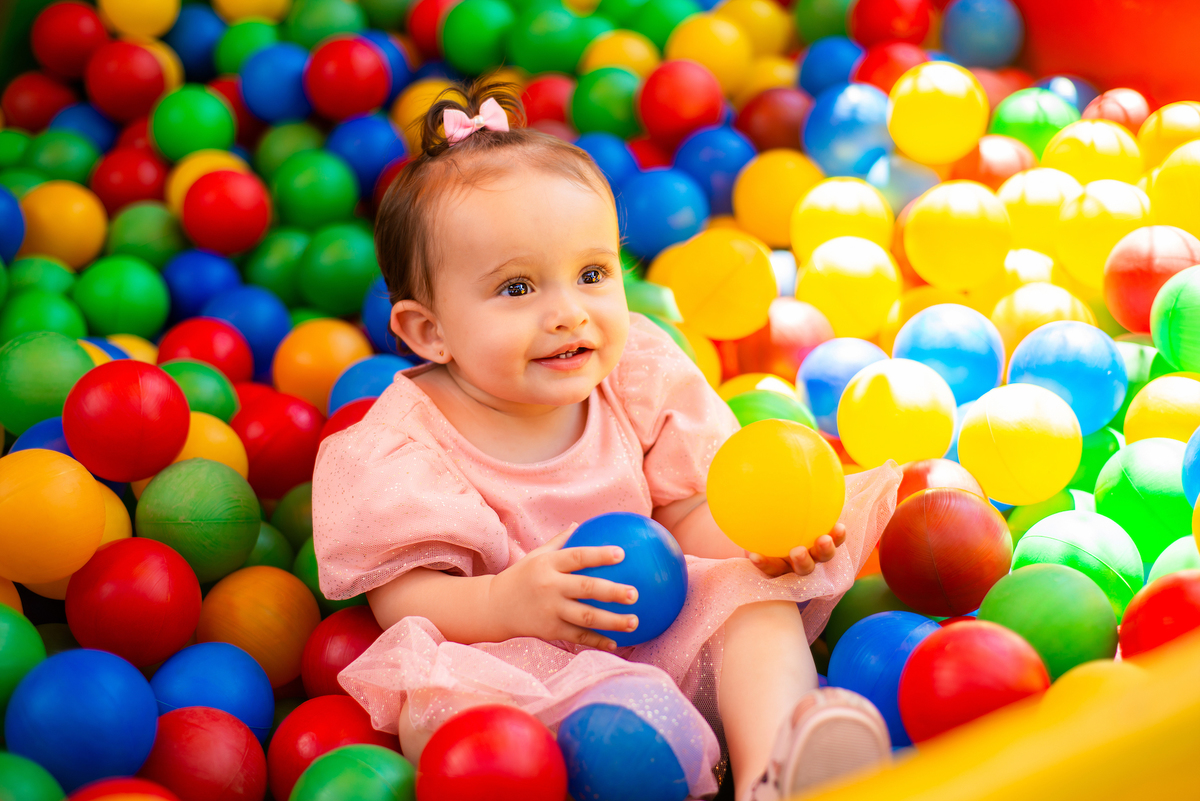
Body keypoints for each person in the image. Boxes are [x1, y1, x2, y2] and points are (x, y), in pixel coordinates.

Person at [313, 80, 901, 801]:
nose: (568, 313)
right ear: (428, 332)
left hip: (657, 623)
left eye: (592, 274)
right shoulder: (404, 445)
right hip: (511, 663)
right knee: (476, 719)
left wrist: (758, 540)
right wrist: (505, 601)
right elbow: (402, 599)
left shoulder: (635, 376)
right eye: (518, 288)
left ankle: (777, 768)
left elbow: (684, 514)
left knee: (754, 601)